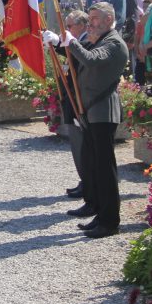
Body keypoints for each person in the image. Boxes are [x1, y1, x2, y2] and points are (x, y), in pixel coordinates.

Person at [43, 3, 129, 238]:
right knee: (94, 166)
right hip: (92, 112)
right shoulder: (100, 39)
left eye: (95, 18)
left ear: (109, 18)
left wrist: (70, 41)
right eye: (90, 18)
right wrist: (59, 44)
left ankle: (110, 221)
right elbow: (78, 56)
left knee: (105, 169)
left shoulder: (113, 43)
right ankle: (100, 214)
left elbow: (90, 59)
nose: (91, 23)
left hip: (103, 112)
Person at [54, 11, 89, 197]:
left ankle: (88, 181)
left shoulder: (86, 40)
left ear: (82, 25)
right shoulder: (76, 41)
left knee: (82, 145)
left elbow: (78, 54)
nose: (66, 30)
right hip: (72, 98)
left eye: (69, 26)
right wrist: (57, 44)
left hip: (79, 100)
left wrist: (59, 43)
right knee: (77, 145)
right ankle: (84, 180)